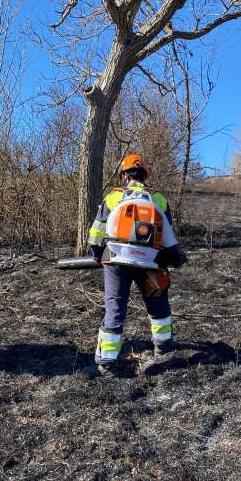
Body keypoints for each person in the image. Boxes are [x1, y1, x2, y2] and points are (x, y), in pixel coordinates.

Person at [89, 154, 186, 377]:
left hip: (115, 260)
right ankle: (163, 345)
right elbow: (167, 234)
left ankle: (106, 362)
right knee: (157, 302)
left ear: (124, 175)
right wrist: (174, 257)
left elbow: (97, 232)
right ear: (144, 175)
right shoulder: (158, 199)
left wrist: (96, 254)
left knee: (115, 307)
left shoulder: (114, 197)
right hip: (150, 262)